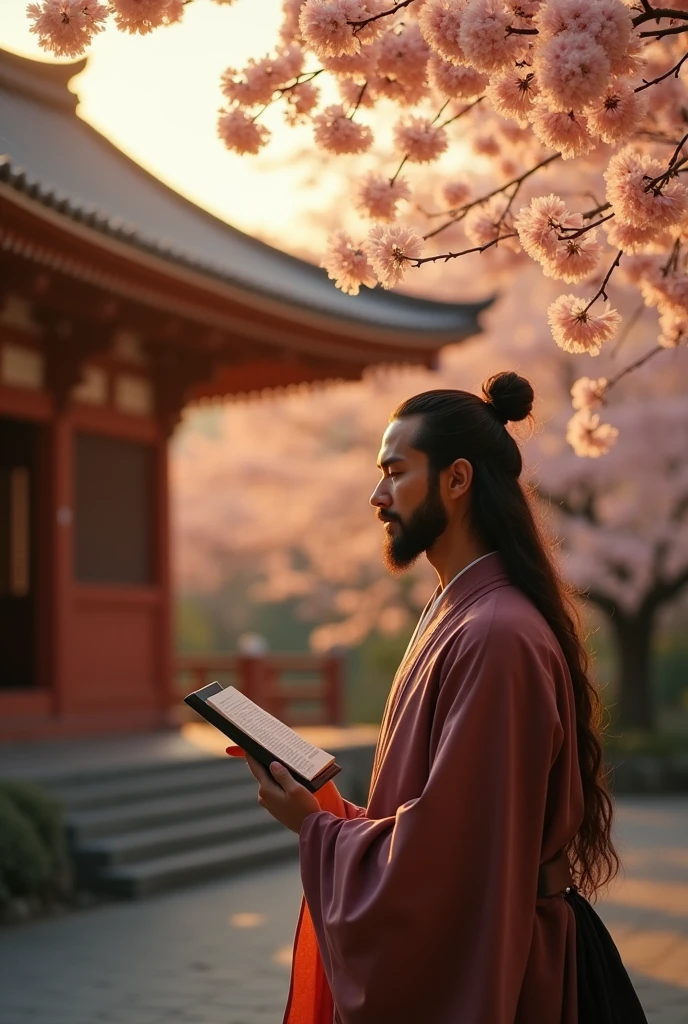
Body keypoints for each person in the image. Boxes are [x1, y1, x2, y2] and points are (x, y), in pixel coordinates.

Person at [232, 371, 647, 1024]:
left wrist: (313, 829)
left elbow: (451, 858)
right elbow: (446, 817)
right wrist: (331, 811)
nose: (377, 494)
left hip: (508, 970)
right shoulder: (463, 614)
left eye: (396, 471)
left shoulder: (495, 633)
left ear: (457, 480)